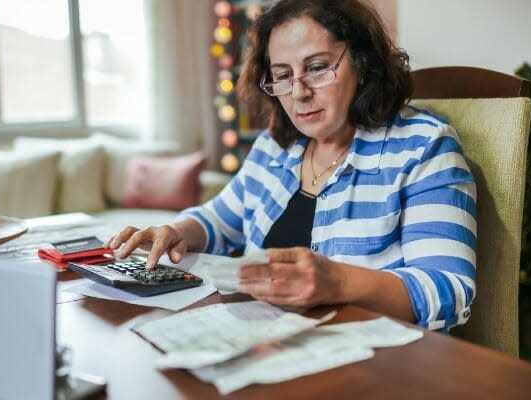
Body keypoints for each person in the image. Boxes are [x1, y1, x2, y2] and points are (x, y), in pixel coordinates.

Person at [106, 0, 476, 331]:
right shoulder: (275, 147)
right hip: (267, 340)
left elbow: (450, 290)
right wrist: (176, 230)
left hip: (377, 364)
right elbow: (221, 220)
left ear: (363, 64)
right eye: (283, 75)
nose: (299, 92)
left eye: (316, 68)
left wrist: (338, 282)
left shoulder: (424, 146)